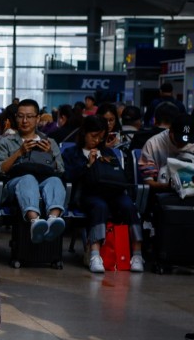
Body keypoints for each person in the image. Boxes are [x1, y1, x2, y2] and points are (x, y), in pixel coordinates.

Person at [61, 116, 144, 273]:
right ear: (84, 133)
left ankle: (137, 254)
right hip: (87, 194)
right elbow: (68, 176)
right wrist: (87, 164)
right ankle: (95, 254)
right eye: (94, 136)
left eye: (101, 137)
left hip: (113, 192)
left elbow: (121, 176)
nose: (97, 140)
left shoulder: (107, 152)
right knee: (100, 207)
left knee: (129, 206)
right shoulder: (71, 153)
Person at [0, 99, 67, 243]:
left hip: (44, 182)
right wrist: (19, 152)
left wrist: (50, 154)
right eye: (20, 116)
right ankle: (35, 221)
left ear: (38, 118)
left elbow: (60, 170)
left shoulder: (49, 142)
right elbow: (0, 169)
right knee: (28, 178)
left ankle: (53, 219)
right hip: (15, 184)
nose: (25, 121)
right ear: (16, 118)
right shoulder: (6, 142)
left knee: (55, 180)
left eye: (29, 116)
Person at [138, 113, 194, 198]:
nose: (182, 143)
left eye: (187, 140)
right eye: (179, 139)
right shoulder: (153, 144)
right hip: (162, 194)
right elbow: (148, 181)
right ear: (170, 130)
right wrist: (168, 186)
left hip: (193, 195)